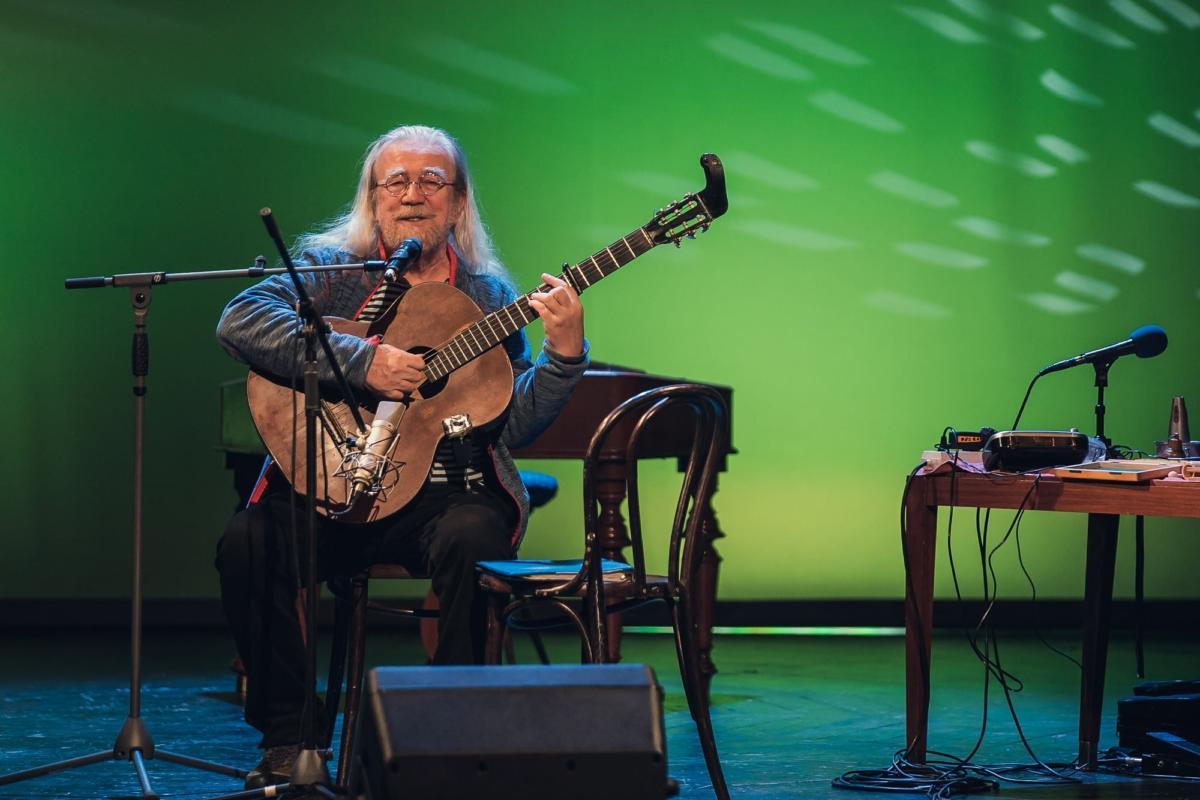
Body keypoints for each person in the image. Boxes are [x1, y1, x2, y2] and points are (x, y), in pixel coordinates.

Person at [214, 124, 588, 788]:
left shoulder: (490, 295)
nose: (414, 194)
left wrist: (563, 358)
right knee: (248, 541)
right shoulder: (330, 271)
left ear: (458, 200)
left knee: (477, 535)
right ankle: (290, 739)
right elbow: (240, 321)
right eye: (398, 180)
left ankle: (448, 732)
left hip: (441, 498)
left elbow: (513, 423)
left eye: (432, 180)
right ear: (373, 196)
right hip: (327, 490)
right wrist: (364, 364)